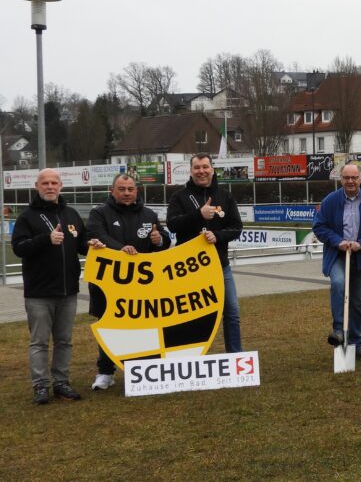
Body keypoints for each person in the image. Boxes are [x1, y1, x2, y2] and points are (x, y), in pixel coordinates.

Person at [12, 168, 104, 404]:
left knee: (64, 341)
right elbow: (19, 247)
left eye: (54, 182)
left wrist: (91, 244)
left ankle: (61, 382)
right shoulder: (27, 217)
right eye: (45, 183)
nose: (50, 186)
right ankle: (40, 386)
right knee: (39, 342)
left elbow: (80, 244)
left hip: (68, 291)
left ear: (61, 186)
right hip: (39, 293)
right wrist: (46, 240)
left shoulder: (71, 214)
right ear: (37, 186)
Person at [86, 173, 170, 390]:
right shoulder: (99, 213)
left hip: (142, 286)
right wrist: (120, 250)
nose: (126, 193)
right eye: (121, 189)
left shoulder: (149, 214)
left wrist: (159, 240)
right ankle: (105, 372)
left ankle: (146, 369)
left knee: (145, 326)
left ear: (136, 191)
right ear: (112, 191)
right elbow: (97, 236)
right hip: (108, 285)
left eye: (130, 189)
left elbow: (164, 243)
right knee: (110, 327)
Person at [167, 153, 244, 353]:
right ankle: (192, 358)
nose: (201, 171)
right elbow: (172, 225)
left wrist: (217, 236)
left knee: (232, 313)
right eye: (197, 167)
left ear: (212, 169)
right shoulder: (179, 197)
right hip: (189, 269)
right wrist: (198, 215)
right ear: (191, 171)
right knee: (191, 317)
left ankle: (236, 358)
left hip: (220, 266)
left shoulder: (225, 196)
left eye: (205, 167)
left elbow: (236, 227)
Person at [313, 163, 361, 360]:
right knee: (338, 284)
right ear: (341, 180)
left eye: (354, 178)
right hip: (338, 254)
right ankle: (338, 331)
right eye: (346, 178)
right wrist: (338, 242)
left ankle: (356, 343)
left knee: (357, 301)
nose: (350, 181)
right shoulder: (331, 201)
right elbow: (319, 226)